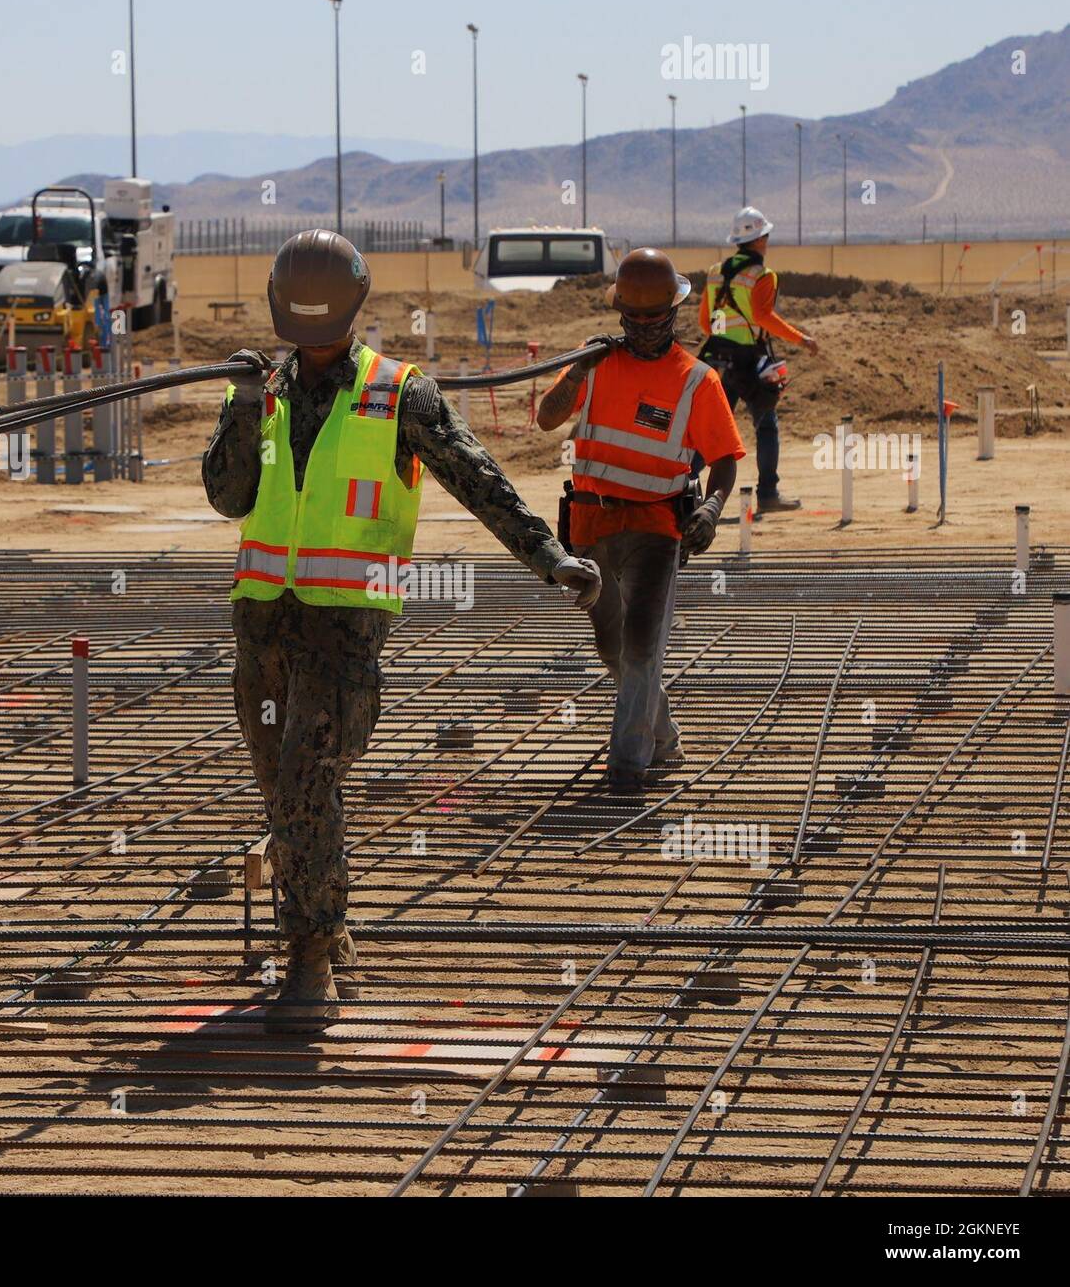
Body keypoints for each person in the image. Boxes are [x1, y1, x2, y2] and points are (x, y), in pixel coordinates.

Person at [204, 229, 601, 1022]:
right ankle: (328, 922)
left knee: (306, 785)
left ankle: (309, 957)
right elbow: (229, 496)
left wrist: (548, 555)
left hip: (346, 629)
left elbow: (474, 473)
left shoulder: (399, 393)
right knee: (282, 793)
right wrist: (245, 410)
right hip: (261, 629)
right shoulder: (258, 389)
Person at [537, 248, 744, 793]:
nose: (646, 331)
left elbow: (723, 460)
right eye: (635, 320)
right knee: (613, 648)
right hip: (591, 527)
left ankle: (627, 766)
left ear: (673, 314)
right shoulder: (596, 361)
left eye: (656, 321)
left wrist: (713, 507)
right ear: (621, 315)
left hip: (656, 529)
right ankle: (666, 740)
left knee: (641, 646)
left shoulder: (697, 381)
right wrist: (577, 371)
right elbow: (546, 419)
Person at [697, 206, 819, 513]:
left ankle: (682, 488)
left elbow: (705, 322)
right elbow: (764, 316)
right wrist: (800, 338)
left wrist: (726, 332)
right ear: (760, 239)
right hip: (748, 361)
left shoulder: (715, 272)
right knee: (766, 424)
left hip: (716, 357)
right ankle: (767, 495)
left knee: (709, 428)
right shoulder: (762, 276)